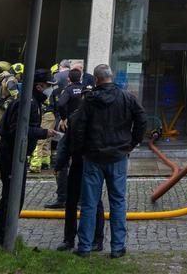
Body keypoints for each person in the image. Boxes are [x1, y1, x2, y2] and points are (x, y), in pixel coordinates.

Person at [72, 64, 145, 259]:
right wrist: (132, 142)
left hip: (93, 157)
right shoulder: (126, 98)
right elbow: (142, 120)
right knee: (118, 202)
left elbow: (78, 127)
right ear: (111, 78)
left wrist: (81, 150)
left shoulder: (89, 100)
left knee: (89, 203)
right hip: (118, 156)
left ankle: (85, 247)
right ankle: (117, 247)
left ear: (96, 80)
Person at [0, 68, 59, 247]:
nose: (51, 89)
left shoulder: (30, 101)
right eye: (49, 85)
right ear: (39, 86)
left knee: (12, 195)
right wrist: (44, 132)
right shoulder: (29, 103)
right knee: (12, 196)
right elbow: (17, 129)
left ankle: (2, 234)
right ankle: (0, 236)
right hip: (11, 153)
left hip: (14, 153)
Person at [52, 69, 104, 251]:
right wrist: (59, 164)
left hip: (93, 164)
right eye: (86, 95)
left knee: (94, 203)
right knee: (74, 203)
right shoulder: (77, 117)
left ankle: (96, 240)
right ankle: (70, 239)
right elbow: (65, 144)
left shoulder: (97, 118)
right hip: (79, 164)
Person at [46, 66, 87, 210]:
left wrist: (64, 118)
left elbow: (61, 104)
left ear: (69, 79)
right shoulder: (85, 90)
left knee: (62, 162)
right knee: (81, 165)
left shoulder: (68, 90)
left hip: (70, 130)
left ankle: (62, 197)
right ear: (80, 78)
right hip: (83, 132)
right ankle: (81, 200)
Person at [30, 63, 59, 173]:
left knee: (40, 140)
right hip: (50, 115)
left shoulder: (37, 98)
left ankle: (35, 165)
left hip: (46, 114)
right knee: (47, 140)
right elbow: (57, 103)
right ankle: (45, 162)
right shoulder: (51, 89)